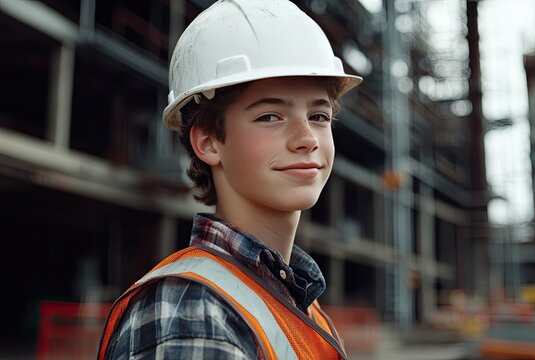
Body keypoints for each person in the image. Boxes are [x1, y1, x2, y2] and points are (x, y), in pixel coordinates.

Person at [97, 0, 361, 359]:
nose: (308, 138)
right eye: (270, 116)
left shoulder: (294, 302)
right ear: (208, 142)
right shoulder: (194, 312)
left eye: (319, 115)